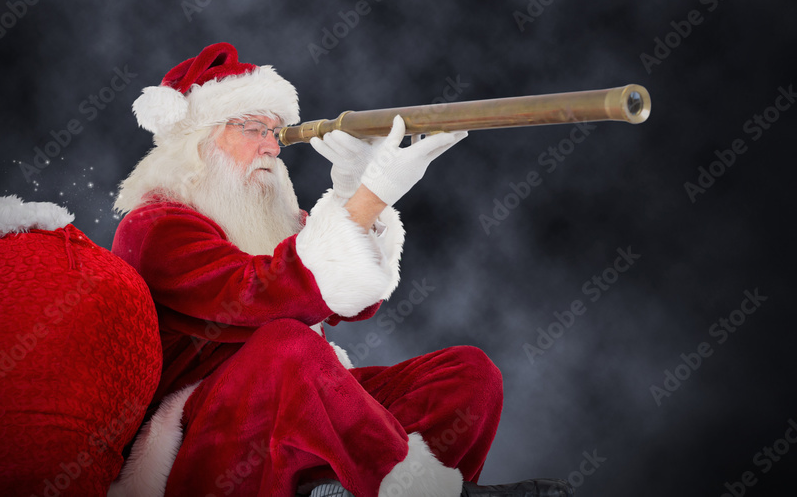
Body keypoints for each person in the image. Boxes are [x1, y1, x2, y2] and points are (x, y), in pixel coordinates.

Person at [108, 43, 572, 497]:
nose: (271, 146)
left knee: (469, 374)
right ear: (197, 141)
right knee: (286, 345)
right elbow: (261, 292)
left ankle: (338, 489)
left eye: (276, 132)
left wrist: (353, 188)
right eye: (252, 127)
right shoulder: (155, 224)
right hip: (206, 451)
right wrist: (368, 197)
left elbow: (352, 304)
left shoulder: (259, 216)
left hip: (287, 427)